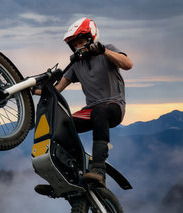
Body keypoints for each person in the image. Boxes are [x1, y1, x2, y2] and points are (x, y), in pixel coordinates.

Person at [34, 17, 133, 195]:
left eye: (82, 41)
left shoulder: (107, 49)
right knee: (60, 126)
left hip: (113, 105)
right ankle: (62, 177)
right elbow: (57, 90)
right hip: (91, 110)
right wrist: (32, 90)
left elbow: (128, 64)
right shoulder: (76, 64)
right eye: (75, 44)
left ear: (91, 38)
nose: (79, 46)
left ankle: (98, 170)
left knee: (99, 111)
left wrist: (103, 51)